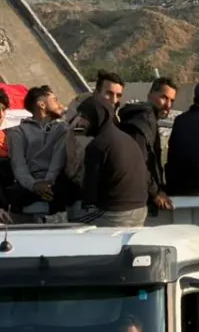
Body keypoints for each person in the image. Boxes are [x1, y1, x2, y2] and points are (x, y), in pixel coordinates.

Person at [73, 95, 154, 228]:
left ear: (96, 118)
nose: (80, 123)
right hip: (140, 210)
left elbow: (89, 195)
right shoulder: (125, 138)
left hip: (116, 214)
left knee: (71, 224)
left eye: (84, 117)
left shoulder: (97, 145)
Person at [5, 85, 70, 223]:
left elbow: (57, 161)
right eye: (55, 100)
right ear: (41, 104)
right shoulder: (17, 132)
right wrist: (34, 185)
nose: (60, 105)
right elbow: (18, 164)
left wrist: (47, 183)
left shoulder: (63, 128)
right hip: (27, 184)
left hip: (54, 182)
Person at [119, 77, 176, 210]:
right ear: (150, 95)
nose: (168, 105)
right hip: (131, 201)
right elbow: (137, 162)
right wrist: (155, 192)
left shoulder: (149, 119)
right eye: (164, 97)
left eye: (171, 100)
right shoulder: (142, 121)